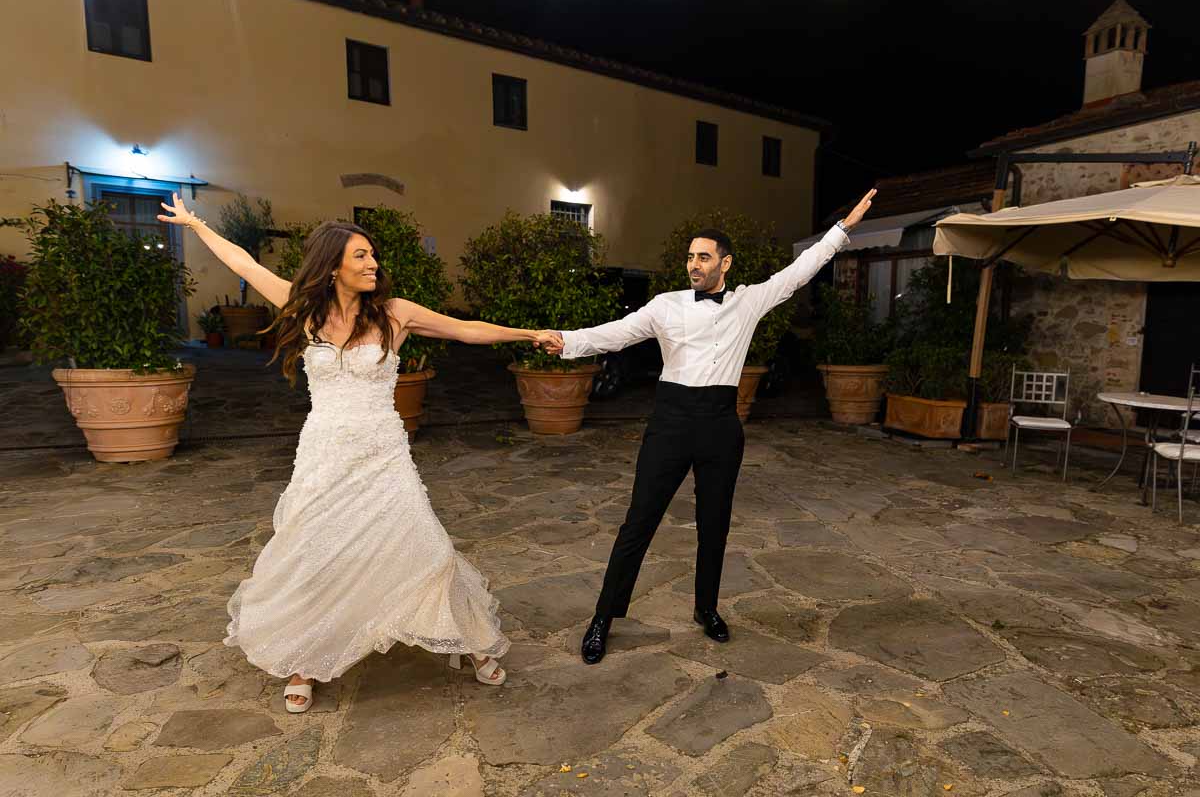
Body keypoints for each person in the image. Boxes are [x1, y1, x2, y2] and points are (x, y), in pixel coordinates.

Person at [159, 194, 558, 711]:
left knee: (429, 550)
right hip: (325, 453)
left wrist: (529, 334)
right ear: (333, 268)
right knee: (312, 553)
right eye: (361, 256)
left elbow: (466, 330)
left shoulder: (396, 315)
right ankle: (302, 661)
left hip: (383, 454)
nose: (374, 264)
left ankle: (473, 641)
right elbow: (244, 262)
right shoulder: (303, 309)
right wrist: (196, 226)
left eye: (373, 255)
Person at [541, 190, 876, 664]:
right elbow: (617, 332)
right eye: (690, 257)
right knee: (639, 522)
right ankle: (603, 617)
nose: (693, 264)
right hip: (671, 422)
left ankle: (706, 608)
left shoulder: (749, 302)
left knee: (714, 525)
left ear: (725, 263)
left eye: (703, 257)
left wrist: (844, 228)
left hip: (720, 424)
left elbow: (800, 273)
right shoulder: (666, 305)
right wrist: (568, 341)